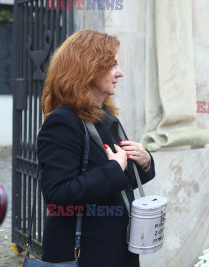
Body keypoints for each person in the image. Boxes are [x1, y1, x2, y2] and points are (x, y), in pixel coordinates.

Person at [37, 30, 155, 267]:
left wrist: (144, 162)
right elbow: (58, 198)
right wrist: (113, 168)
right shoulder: (62, 122)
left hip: (118, 248)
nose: (119, 73)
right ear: (87, 69)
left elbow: (120, 178)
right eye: (112, 65)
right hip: (85, 254)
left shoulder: (104, 116)